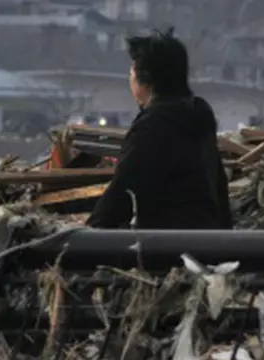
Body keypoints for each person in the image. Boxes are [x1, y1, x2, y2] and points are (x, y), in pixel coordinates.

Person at [87, 29, 232, 230]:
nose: (129, 80)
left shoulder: (155, 125)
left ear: (145, 80)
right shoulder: (197, 115)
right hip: (206, 236)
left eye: (131, 74)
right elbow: (218, 186)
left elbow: (123, 190)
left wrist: (89, 235)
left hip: (166, 241)